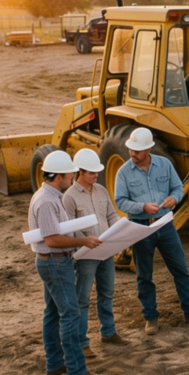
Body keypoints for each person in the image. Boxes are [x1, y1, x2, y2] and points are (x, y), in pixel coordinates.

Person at [114, 128, 189, 335]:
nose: (132, 154)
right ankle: (150, 318)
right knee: (144, 275)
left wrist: (174, 199)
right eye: (131, 149)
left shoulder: (165, 165)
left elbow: (177, 188)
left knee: (181, 270)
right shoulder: (123, 172)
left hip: (165, 225)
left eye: (137, 151)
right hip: (140, 227)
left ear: (149, 149)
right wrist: (142, 207)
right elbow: (120, 201)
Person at [28, 150, 106, 375]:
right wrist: (83, 241)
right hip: (55, 262)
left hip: (52, 262)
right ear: (58, 176)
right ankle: (76, 369)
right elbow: (52, 239)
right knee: (70, 314)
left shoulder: (49, 196)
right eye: (69, 174)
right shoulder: (46, 201)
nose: (73, 176)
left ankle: (55, 363)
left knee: (53, 313)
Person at [63, 148, 129, 358]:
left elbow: (111, 215)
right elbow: (69, 229)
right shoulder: (69, 197)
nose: (96, 175)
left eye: (97, 172)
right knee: (82, 299)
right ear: (80, 172)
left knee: (107, 292)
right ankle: (82, 343)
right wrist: (86, 242)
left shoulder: (101, 190)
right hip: (86, 255)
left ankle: (108, 332)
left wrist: (119, 228)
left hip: (106, 251)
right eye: (92, 172)